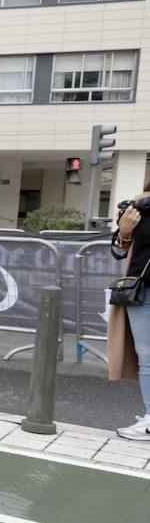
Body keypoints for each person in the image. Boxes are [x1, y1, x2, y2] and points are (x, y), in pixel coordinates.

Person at [109, 188, 150, 440]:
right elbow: (121, 248)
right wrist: (125, 229)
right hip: (141, 291)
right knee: (147, 356)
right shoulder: (142, 202)